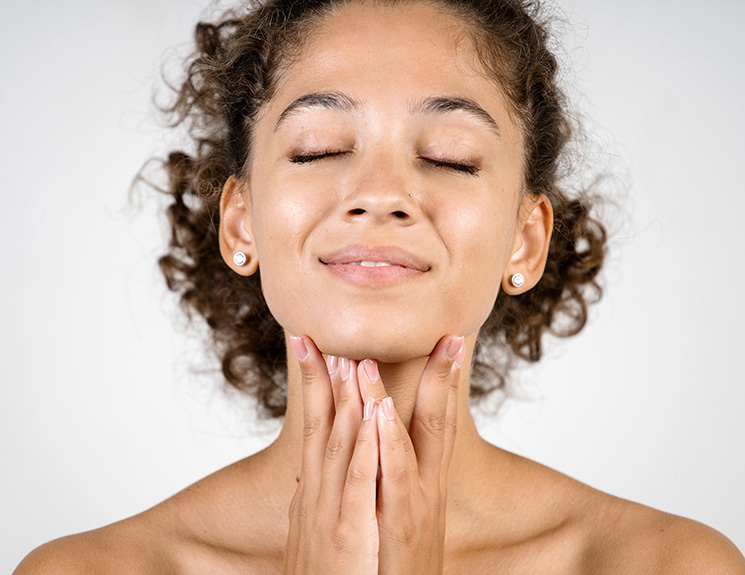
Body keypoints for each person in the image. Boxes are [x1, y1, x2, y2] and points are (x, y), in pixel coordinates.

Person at [14, 0, 745, 573]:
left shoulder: (666, 565)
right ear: (239, 224)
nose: (380, 193)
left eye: (451, 157)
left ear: (525, 240)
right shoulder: (87, 570)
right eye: (320, 148)